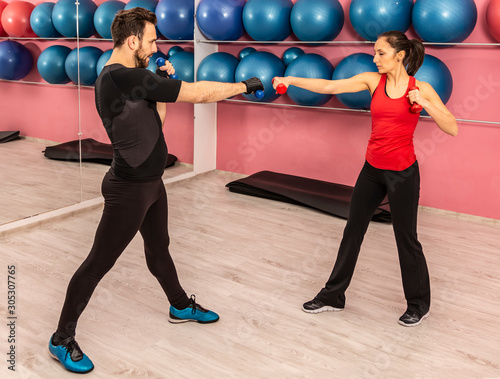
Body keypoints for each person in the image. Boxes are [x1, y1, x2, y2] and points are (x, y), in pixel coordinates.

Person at [48, 7, 263, 374]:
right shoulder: (118, 77)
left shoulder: (136, 77)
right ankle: (61, 339)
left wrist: (158, 84)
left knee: (158, 247)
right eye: (150, 40)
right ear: (132, 41)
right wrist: (244, 86)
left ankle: (178, 305)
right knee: (98, 263)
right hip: (128, 188)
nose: (155, 46)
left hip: (151, 184)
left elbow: (156, 122)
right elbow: (197, 93)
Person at [273, 31, 457, 327]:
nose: (374, 58)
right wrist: (292, 80)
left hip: (402, 174)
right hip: (372, 170)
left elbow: (452, 127)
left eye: (380, 53)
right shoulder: (373, 81)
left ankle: (418, 304)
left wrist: (425, 102)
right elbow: (330, 85)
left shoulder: (420, 87)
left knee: (406, 239)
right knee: (352, 231)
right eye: (374, 52)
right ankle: (333, 296)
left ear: (399, 55)